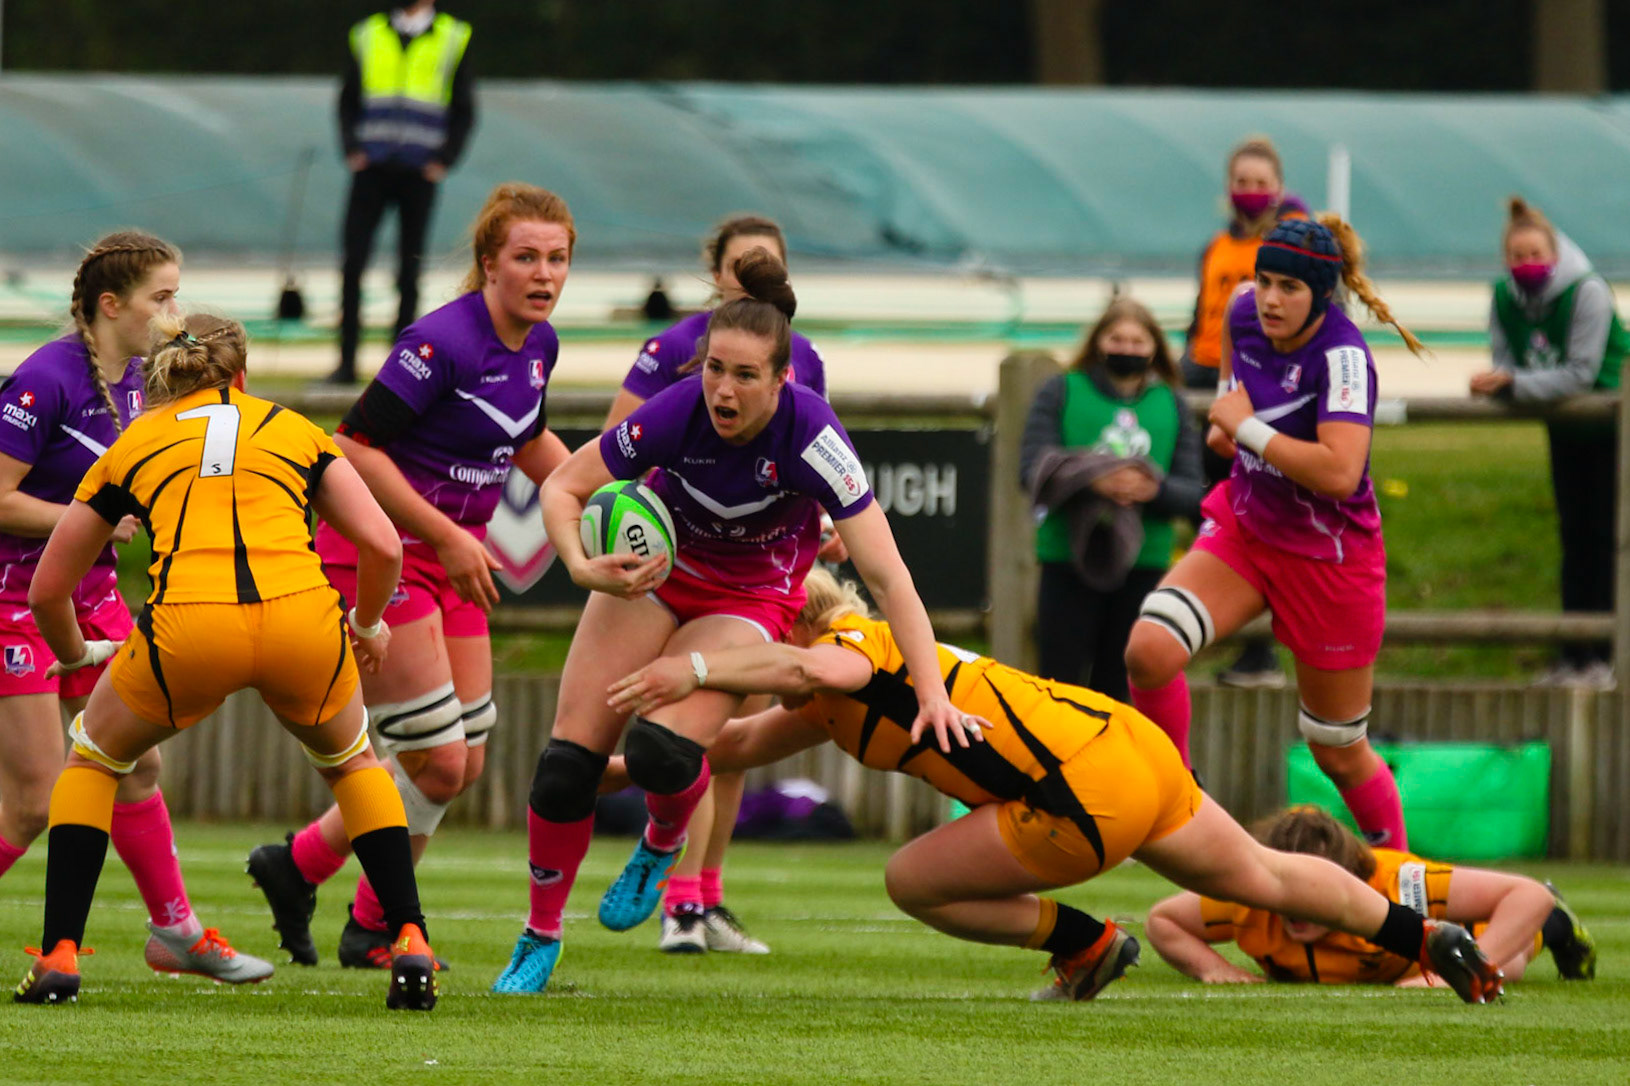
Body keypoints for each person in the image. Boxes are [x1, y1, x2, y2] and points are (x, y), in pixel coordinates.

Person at [600, 569, 1504, 1005]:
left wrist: (697, 665)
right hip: (1125, 745)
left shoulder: (849, 649)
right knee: (1262, 876)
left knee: (908, 881)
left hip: (1081, 790)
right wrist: (597, 765)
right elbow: (732, 746)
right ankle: (1431, 939)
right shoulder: (831, 686)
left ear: (786, 627)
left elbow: (824, 667)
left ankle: (1088, 944)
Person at [492, 249, 968, 994]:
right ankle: (540, 936)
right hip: (656, 578)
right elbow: (563, 487)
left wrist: (933, 692)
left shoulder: (813, 436)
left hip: (750, 599)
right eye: (715, 368)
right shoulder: (676, 410)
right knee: (564, 772)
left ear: (783, 381)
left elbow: (889, 575)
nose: (723, 387)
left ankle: (662, 838)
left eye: (745, 375)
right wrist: (581, 567)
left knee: (660, 755)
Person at [14, 312, 437, 1009]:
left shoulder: (134, 441)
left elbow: (48, 588)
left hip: (190, 628)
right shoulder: (294, 428)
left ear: (160, 377)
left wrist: (76, 652)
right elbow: (385, 546)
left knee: (92, 759)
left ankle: (60, 953)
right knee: (355, 764)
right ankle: (412, 937)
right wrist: (368, 623)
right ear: (240, 375)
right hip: (302, 619)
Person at [248, 183, 574, 969]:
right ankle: (380, 924)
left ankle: (303, 871)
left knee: (463, 759)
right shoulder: (441, 343)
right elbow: (354, 446)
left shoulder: (540, 344)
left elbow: (527, 442)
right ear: (488, 262)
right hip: (379, 554)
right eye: (525, 257)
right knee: (440, 757)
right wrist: (446, 534)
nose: (543, 273)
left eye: (557, 258)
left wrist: (616, 494)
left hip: (447, 558)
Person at [0, 232, 270, 986]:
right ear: (110, 306)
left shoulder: (139, 381)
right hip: (14, 605)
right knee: (29, 804)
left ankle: (175, 933)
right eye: (163, 297)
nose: (176, 312)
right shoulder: (45, 378)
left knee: (138, 766)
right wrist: (88, 518)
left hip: (95, 600)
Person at [1123, 215, 1426, 849]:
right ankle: (1177, 810)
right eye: (1263, 281)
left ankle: (1401, 884)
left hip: (1329, 559)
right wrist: (1228, 424)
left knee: (1338, 748)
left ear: (1321, 294)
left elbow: (1340, 471)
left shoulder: (1343, 357)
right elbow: (1234, 397)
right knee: (1148, 652)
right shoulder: (1240, 313)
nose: (1268, 298)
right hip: (1249, 531)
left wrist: (1248, 427)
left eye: (1289, 286)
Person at [605, 214, 840, 955]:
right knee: (689, 731)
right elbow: (618, 446)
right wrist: (659, 528)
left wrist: (821, 519)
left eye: (769, 265)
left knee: (732, 736)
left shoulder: (802, 355)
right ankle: (677, 901)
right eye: (743, 265)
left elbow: (816, 453)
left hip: (765, 572)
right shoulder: (675, 348)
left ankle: (704, 895)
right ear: (716, 274)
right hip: (684, 563)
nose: (756, 276)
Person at [1146, 805, 1597, 986]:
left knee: (1508, 966)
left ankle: (1559, 927)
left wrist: (1451, 975)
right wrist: (1215, 969)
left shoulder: (1398, 883)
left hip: (1436, 946)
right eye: (1287, 894)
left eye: (1312, 896)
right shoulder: (1248, 892)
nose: (1295, 910)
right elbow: (1162, 921)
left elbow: (1527, 895)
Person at [1470, 196, 1628, 688]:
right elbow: (1504, 363)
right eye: (1517, 257)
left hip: (1612, 427)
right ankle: (1575, 652)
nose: (1527, 265)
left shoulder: (1588, 294)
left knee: (1606, 540)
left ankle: (1605, 654)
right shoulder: (1503, 298)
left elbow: (1580, 374)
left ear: (1554, 255)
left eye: (1536, 255)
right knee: (1574, 538)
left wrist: (1514, 387)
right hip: (1565, 428)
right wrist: (1502, 383)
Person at [1019, 295, 1203, 705]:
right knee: (1057, 687)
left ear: (1155, 347)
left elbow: (1194, 493)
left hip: (1144, 566)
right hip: (1066, 561)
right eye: (1117, 338)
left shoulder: (1171, 403)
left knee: (1120, 692)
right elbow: (1032, 469)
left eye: (1138, 341)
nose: (1127, 349)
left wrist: (1152, 490)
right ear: (1098, 342)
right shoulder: (1062, 391)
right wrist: (1094, 481)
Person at [1181, 137, 1309, 688]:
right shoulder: (1214, 247)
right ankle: (1218, 629)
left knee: (1253, 521)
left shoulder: (1284, 249)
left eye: (1262, 184)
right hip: (1201, 387)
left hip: (1251, 395)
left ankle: (1261, 653)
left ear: (1278, 188)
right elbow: (1198, 318)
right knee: (1209, 516)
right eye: (1243, 182)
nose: (1251, 193)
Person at [331, 0, 475, 384]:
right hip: (372, 168)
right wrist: (351, 149)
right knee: (352, 264)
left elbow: (464, 107)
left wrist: (445, 158)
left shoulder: (453, 37)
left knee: (409, 268)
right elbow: (347, 98)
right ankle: (346, 363)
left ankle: (398, 368)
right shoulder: (368, 33)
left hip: (419, 172)